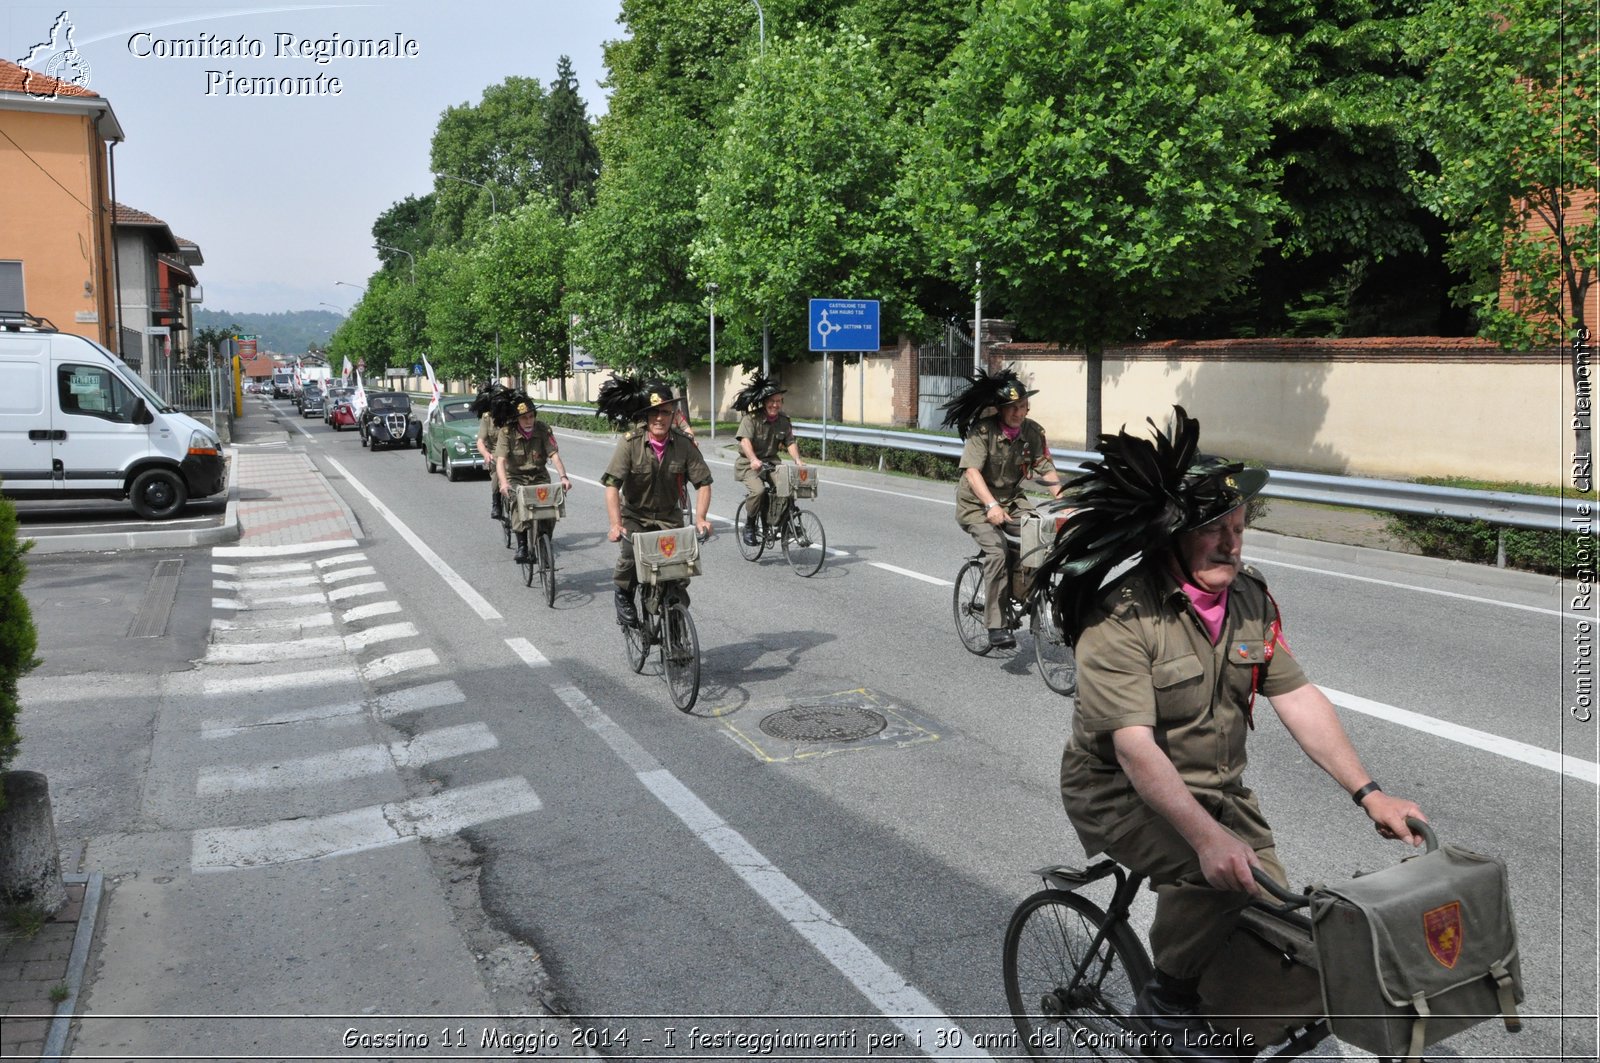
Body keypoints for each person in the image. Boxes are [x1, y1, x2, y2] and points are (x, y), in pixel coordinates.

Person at [1036, 407, 1426, 1061]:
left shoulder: (1248, 600)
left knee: (1273, 919)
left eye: (1238, 529)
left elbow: (1296, 695)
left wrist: (1371, 793)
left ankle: (1231, 1031)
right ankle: (1165, 1000)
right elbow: (1135, 748)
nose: (1231, 543)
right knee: (1216, 871)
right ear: (1170, 537)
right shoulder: (1122, 619)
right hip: (1116, 793)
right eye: (1213, 530)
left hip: (1215, 786)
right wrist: (1207, 835)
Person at [940, 366, 1064, 648]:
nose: (1019, 413)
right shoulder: (983, 431)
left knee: (1041, 535)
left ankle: (1026, 590)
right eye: (1012, 408)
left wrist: (1065, 501)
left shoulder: (1032, 431)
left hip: (1011, 499)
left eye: (1023, 406)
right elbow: (972, 472)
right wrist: (991, 505)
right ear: (999, 409)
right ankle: (996, 625)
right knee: (997, 551)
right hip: (976, 504)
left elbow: (1045, 467)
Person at [597, 375, 713, 627]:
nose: (659, 418)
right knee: (629, 556)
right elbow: (612, 485)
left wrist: (701, 518)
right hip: (635, 517)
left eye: (665, 412)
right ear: (646, 417)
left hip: (669, 517)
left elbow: (703, 482)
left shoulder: (684, 445)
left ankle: (675, 624)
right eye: (654, 413)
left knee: (679, 571)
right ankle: (623, 594)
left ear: (674, 416)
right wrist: (616, 524)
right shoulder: (630, 444)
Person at [493, 391, 572, 564]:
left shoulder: (542, 429)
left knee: (551, 507)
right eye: (524, 418)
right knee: (516, 503)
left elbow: (554, 455)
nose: (528, 421)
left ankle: (544, 540)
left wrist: (564, 477)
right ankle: (522, 545)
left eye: (531, 416)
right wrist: (504, 484)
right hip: (516, 477)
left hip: (539, 476)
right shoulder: (507, 433)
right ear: (517, 420)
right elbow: (500, 461)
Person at [730, 372, 804, 546]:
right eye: (772, 401)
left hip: (771, 462)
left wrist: (798, 460)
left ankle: (783, 519)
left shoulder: (784, 421)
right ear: (764, 402)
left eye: (778, 401)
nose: (775, 405)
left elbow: (790, 441)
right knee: (759, 491)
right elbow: (745, 441)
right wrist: (754, 459)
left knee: (788, 485)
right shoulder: (751, 419)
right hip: (749, 464)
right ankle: (749, 525)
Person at [471, 382, 505, 521]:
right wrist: (486, 454)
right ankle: (496, 503)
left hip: (513, 454)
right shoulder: (487, 418)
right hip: (495, 455)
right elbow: (480, 441)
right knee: (497, 476)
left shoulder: (512, 417)